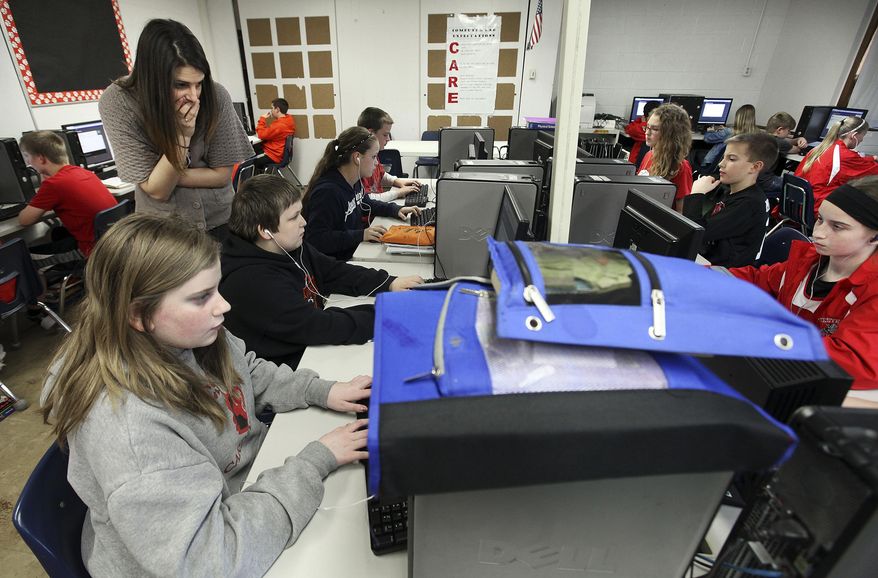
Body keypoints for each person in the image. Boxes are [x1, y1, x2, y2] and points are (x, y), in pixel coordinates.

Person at [40, 213, 372, 576]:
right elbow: (211, 560)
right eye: (201, 297)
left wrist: (322, 391)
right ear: (139, 314)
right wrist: (314, 463)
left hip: (236, 500)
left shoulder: (189, 333)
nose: (223, 306)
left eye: (216, 289)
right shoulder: (131, 432)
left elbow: (244, 369)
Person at [221, 174, 424, 369]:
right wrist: (386, 314)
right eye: (293, 218)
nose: (304, 222)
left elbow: (333, 271)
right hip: (289, 371)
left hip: (310, 350)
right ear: (264, 231)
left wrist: (388, 282)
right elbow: (317, 326)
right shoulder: (251, 282)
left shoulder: (288, 247)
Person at [99, 19, 254, 240]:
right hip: (165, 231)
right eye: (181, 85)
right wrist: (182, 135)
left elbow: (221, 176)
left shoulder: (216, 94)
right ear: (153, 79)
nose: (193, 96)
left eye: (198, 84)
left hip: (220, 220)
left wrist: (159, 176)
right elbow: (158, 192)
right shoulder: (119, 101)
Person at [729, 175, 878, 392]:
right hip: (777, 373)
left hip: (815, 391)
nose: (818, 233)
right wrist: (685, 276)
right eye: (820, 219)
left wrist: (763, 335)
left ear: (874, 238)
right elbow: (754, 279)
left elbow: (854, 363)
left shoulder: (871, 290)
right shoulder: (808, 262)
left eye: (837, 227)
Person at [302, 126, 420, 261]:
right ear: (357, 157)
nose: (377, 163)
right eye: (374, 157)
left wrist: (395, 209)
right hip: (334, 263)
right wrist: (361, 235)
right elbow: (317, 239)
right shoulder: (328, 192)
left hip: (353, 250)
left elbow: (364, 202)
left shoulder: (354, 180)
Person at [17, 131, 117, 268]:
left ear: (41, 159)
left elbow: (24, 220)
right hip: (113, 245)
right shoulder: (83, 172)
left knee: (22, 259)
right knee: (58, 233)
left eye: (27, 156)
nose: (28, 162)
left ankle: (47, 289)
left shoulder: (54, 184)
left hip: (90, 251)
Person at [687, 133, 777, 267]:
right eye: (724, 157)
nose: (720, 164)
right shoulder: (734, 192)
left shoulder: (749, 204)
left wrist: (696, 194)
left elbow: (694, 234)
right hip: (711, 261)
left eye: (732, 159)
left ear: (755, 167)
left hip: (725, 275)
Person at [795, 116, 878, 216]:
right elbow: (872, 170)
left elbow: (854, 161)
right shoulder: (846, 156)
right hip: (817, 209)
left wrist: (872, 158)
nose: (862, 140)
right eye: (863, 135)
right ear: (854, 135)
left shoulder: (820, 148)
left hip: (797, 204)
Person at [357, 107, 421, 201]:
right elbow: (366, 199)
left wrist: (397, 181)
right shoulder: (361, 161)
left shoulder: (372, 153)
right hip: (371, 212)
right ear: (371, 133)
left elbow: (381, 175)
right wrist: (397, 193)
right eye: (385, 135)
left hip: (377, 208)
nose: (388, 139)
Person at [637, 103, 693, 211]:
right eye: (647, 127)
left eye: (655, 129)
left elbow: (680, 212)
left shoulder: (681, 167)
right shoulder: (649, 155)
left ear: (671, 134)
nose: (647, 133)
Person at [760, 112, 809, 196]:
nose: (789, 134)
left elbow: (786, 141)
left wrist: (798, 139)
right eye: (789, 131)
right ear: (780, 130)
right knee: (799, 186)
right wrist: (801, 143)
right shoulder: (780, 143)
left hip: (755, 179)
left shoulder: (762, 136)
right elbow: (797, 149)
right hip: (767, 182)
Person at [700, 104, 757, 172]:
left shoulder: (729, 132)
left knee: (694, 152)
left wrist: (709, 131)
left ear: (738, 118)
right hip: (737, 167)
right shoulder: (756, 134)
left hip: (715, 165)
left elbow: (707, 139)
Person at [254, 98, 296, 172]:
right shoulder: (289, 120)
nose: (271, 111)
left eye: (272, 108)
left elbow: (261, 135)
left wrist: (262, 119)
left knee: (251, 161)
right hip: (280, 154)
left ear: (277, 109)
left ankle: (257, 182)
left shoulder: (279, 125)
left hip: (273, 155)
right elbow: (272, 132)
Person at [625, 100, 661, 170]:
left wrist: (644, 123)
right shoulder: (645, 125)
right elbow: (630, 129)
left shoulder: (657, 128)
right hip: (637, 165)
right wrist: (644, 123)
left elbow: (632, 130)